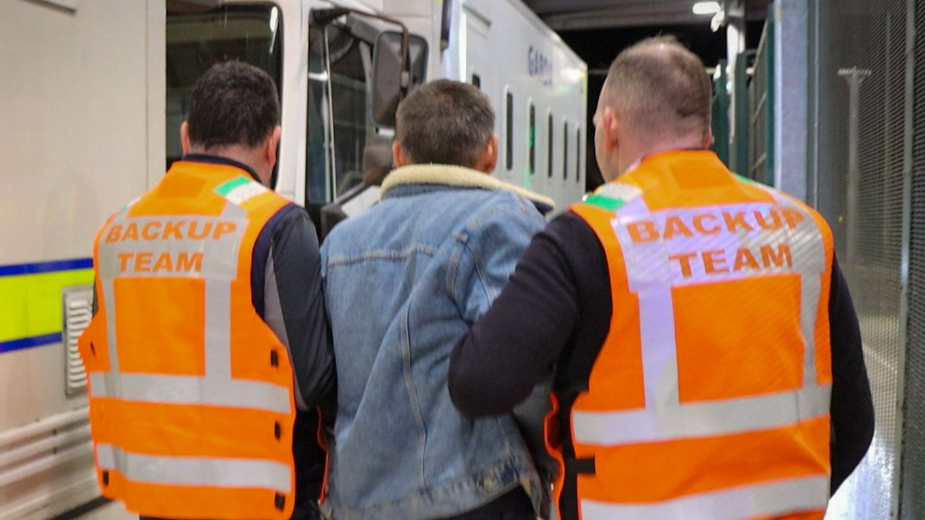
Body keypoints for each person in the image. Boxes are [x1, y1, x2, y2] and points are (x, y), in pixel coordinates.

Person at [448, 36, 875, 520]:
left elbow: (479, 383)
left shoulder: (586, 235)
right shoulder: (799, 227)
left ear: (610, 127)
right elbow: (856, 425)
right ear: (705, 135)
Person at [78, 61, 333, 520]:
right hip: (260, 497)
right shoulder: (276, 225)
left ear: (185, 136)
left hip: (157, 495)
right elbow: (310, 380)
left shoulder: (117, 229)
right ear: (272, 145)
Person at [320, 79, 554, 520]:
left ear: (398, 154)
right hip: (473, 494)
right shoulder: (501, 222)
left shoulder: (338, 243)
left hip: (356, 501)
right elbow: (529, 372)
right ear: (491, 152)